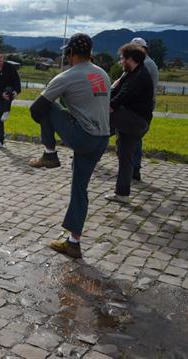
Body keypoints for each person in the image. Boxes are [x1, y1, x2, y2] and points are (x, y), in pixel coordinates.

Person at [28, 33, 110, 259]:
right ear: (90, 53)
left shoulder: (67, 76)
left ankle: (49, 154)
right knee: (79, 189)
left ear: (70, 53)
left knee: (47, 106)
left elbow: (36, 111)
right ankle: (73, 242)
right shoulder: (102, 73)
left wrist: (55, 120)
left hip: (84, 137)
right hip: (102, 139)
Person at [105, 43, 154, 203]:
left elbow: (123, 96)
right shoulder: (130, 74)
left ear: (130, 59)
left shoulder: (140, 75)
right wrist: (107, 98)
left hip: (136, 121)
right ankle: (122, 194)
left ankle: (86, 140)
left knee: (99, 118)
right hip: (132, 122)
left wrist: (107, 107)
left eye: (122, 59)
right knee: (125, 158)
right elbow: (116, 92)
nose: (120, 62)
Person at [128, 37, 159, 181]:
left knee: (133, 137)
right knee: (132, 137)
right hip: (142, 105)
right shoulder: (148, 63)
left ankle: (133, 168)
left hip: (139, 107)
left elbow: (134, 87)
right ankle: (132, 168)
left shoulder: (145, 64)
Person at [0, 48, 21, 148]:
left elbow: (17, 80)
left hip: (11, 91)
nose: (0, 60)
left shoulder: (10, 67)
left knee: (8, 89)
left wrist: (17, 91)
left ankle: (6, 111)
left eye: (1, 57)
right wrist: (1, 95)